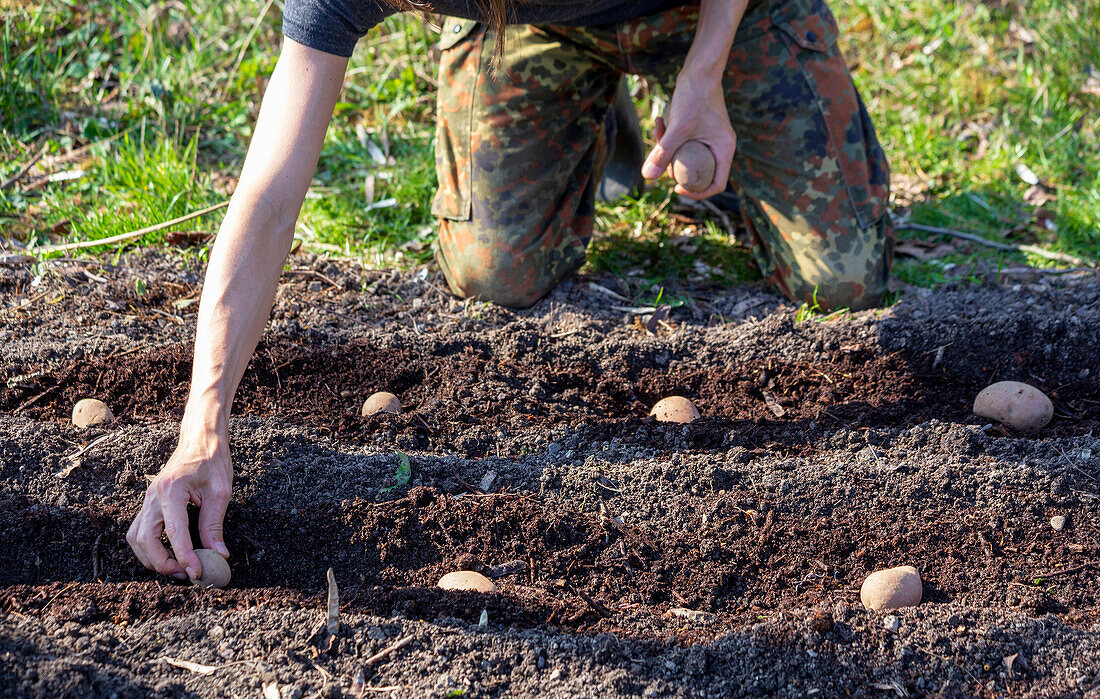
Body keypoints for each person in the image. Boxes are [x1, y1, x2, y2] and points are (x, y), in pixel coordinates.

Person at [127, 0, 892, 581]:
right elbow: (267, 193)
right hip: (528, 28)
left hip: (703, 12)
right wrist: (202, 425)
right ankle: (599, 122)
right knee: (496, 270)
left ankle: (704, 103)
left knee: (843, 276)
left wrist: (704, 71)